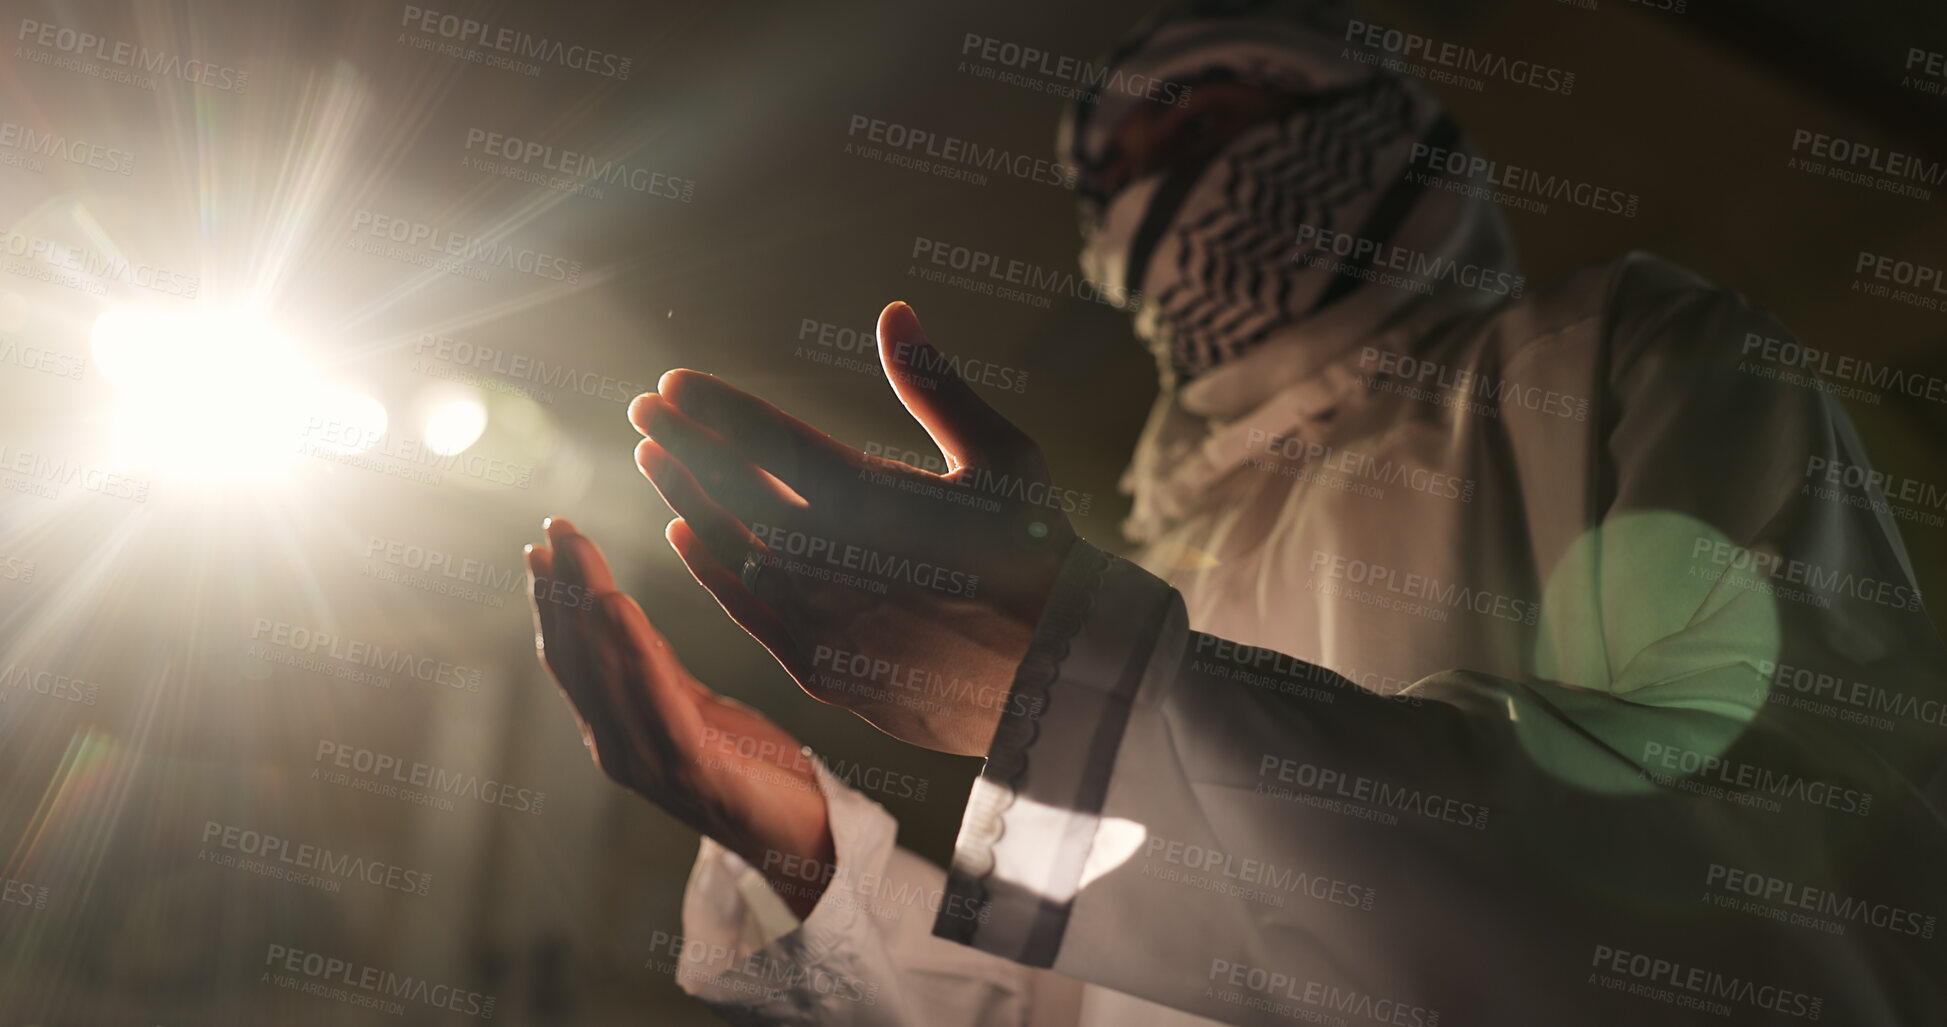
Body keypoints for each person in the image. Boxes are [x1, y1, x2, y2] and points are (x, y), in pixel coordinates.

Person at [525, 2, 1947, 1023]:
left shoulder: (1625, 358)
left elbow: (1775, 893)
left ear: (1373, 118)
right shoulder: (1150, 558)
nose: (1160, 187)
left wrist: (1095, 678)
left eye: (1203, 120)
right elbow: (1069, 1007)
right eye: (1117, 177)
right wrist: (797, 846)